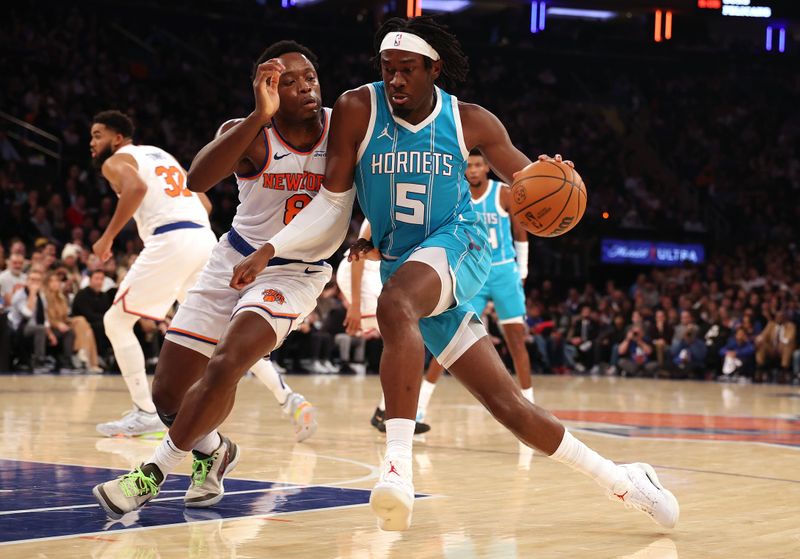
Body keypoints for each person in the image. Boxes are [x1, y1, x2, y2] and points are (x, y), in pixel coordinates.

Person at [228, 16, 679, 531]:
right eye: (387, 68)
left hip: (461, 244)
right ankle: (625, 480)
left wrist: (552, 178)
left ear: (434, 69)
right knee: (510, 409)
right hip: (409, 266)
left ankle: (396, 466)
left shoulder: (470, 120)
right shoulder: (358, 107)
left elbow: (525, 177)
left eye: (407, 70)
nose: (395, 79)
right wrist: (274, 247)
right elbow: (334, 202)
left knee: (395, 303)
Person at [93, 41, 332, 518]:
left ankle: (151, 475)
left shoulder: (342, 128)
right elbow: (198, 181)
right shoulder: (251, 133)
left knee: (226, 362)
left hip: (294, 271)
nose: (305, 86)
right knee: (167, 396)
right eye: (289, 80)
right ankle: (215, 450)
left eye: (309, 77)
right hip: (232, 259)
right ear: (267, 88)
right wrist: (257, 116)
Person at [88, 110, 218, 437]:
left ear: (117, 138)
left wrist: (107, 238)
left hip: (171, 239)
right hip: (204, 237)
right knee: (213, 329)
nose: (92, 143)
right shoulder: (162, 156)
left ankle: (146, 412)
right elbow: (205, 204)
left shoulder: (115, 160)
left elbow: (134, 189)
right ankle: (284, 395)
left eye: (97, 135)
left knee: (115, 322)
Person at [415, 149, 533, 426]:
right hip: (472, 272)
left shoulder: (503, 193)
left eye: (479, 165)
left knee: (516, 341)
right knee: (449, 341)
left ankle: (532, 406)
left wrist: (523, 271)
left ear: (487, 168)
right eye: (469, 166)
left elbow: (520, 232)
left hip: (505, 271)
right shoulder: (457, 195)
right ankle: (420, 405)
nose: (474, 170)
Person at [336, 219, 430, 433]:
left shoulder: (413, 214)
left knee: (407, 340)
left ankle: (384, 412)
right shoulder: (375, 217)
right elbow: (357, 256)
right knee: (404, 339)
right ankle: (390, 415)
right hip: (358, 273)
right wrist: (355, 306)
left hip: (376, 276)